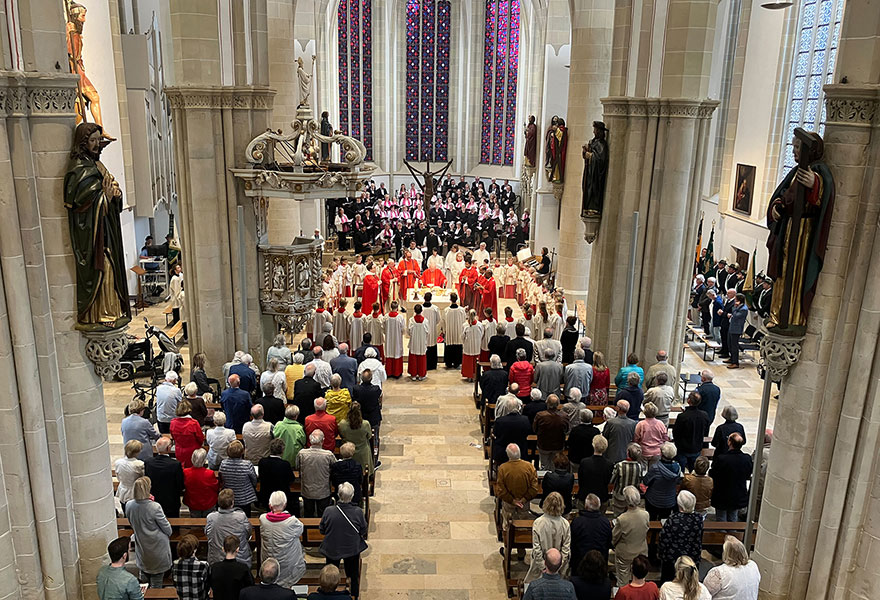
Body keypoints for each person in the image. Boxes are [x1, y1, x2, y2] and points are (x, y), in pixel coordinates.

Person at [319, 482, 368, 598]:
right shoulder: (357, 511)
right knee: (353, 574)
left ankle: (328, 594)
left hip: (332, 547)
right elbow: (363, 530)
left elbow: (322, 530)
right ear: (352, 496)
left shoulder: (329, 511)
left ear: (338, 495)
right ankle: (354, 594)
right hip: (351, 548)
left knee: (329, 574)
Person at [125, 477, 172, 588]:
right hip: (157, 548)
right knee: (156, 583)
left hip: (142, 545)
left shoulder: (129, 505)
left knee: (144, 581)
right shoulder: (154, 507)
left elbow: (132, 523)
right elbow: (168, 529)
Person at [495, 444, 539, 560]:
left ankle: (507, 549)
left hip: (509, 504)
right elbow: (534, 488)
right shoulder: (529, 467)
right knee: (522, 526)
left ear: (508, 455)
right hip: (524, 504)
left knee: (507, 525)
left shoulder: (503, 468)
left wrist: (513, 500)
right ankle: (521, 551)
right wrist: (523, 499)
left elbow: (500, 490)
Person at [259, 491, 307, 589]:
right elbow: (300, 530)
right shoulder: (291, 522)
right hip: (287, 560)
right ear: (285, 504)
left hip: (269, 558)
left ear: (270, 505)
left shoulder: (263, 519)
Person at [524, 492, 572, 583]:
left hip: (541, 567)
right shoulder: (565, 524)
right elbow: (566, 549)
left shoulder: (538, 523)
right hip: (558, 568)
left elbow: (536, 549)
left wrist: (543, 567)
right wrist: (557, 566)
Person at [658, 491, 703, 583]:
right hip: (691, 556)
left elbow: (664, 538)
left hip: (673, 558)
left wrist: (661, 554)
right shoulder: (698, 518)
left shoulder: (673, 518)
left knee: (669, 581)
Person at [612, 486, 650, 587]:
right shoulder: (645, 514)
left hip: (625, 553)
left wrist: (614, 545)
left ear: (625, 500)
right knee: (640, 579)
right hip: (641, 551)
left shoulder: (622, 519)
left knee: (623, 580)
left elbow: (614, 537)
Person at [710, 433, 752, 522]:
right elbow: (748, 472)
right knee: (733, 516)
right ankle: (732, 533)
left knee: (721, 518)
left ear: (729, 443)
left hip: (722, 494)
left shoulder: (722, 459)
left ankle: (722, 534)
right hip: (737, 493)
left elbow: (713, 473)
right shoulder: (746, 459)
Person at [206, 488, 253, 564]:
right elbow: (248, 533)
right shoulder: (241, 517)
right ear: (232, 503)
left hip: (217, 559)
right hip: (239, 558)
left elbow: (208, 534)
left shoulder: (211, 518)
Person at [297, 429, 337, 517]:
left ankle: (308, 529)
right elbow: (335, 468)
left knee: (308, 514)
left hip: (307, 490)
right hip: (323, 490)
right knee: (323, 515)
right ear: (323, 441)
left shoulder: (302, 453)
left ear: (310, 440)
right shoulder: (328, 455)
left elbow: (297, 467)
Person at [144, 436, 184, 518]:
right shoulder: (175, 464)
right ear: (169, 448)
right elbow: (180, 483)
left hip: (154, 498)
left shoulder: (148, 462)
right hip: (171, 500)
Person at [570, 493, 612, 568]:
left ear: (586, 506)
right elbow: (608, 542)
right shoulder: (605, 522)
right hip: (600, 562)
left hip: (580, 562)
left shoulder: (577, 522)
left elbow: (572, 543)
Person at [643, 442, 683, 520]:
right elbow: (677, 481)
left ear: (661, 454)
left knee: (652, 519)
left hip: (653, 500)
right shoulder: (678, 468)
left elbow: (646, 481)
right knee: (664, 519)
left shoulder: (655, 468)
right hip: (669, 501)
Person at [352, 369, 383, 466]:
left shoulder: (356, 389)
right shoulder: (376, 389)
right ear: (371, 379)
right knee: (375, 439)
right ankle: (374, 461)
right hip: (373, 417)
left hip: (361, 416)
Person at [673, 392, 710, 472]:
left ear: (689, 400)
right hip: (697, 446)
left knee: (680, 470)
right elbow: (705, 430)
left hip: (683, 448)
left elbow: (676, 432)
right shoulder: (704, 415)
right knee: (694, 470)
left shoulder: (682, 417)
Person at [208, 535, 254, 600]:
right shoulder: (243, 568)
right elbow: (250, 587)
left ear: (223, 549)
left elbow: (211, 585)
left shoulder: (215, 567)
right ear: (237, 549)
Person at [219, 441, 258, 515]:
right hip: (245, 497)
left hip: (229, 496)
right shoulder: (247, 464)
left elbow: (222, 478)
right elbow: (254, 480)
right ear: (242, 452)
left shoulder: (223, 464)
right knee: (246, 516)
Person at [259, 438, 297, 513]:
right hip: (282, 496)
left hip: (266, 495)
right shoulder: (285, 464)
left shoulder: (262, 462)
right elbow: (291, 479)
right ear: (282, 450)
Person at [610, 444, 647, 517]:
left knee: (618, 516)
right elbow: (640, 481)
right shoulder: (639, 467)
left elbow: (612, 480)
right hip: (632, 497)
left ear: (627, 453)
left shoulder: (619, 465)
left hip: (620, 495)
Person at [577, 435, 613, 509]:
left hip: (585, 496)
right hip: (602, 496)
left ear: (593, 445)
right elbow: (607, 480)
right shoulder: (609, 464)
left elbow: (581, 480)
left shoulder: (584, 462)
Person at [492, 400, 532, 466]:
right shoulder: (525, 420)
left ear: (507, 408)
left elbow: (495, 434)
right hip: (521, 450)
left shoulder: (500, 421)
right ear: (518, 407)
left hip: (503, 452)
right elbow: (528, 432)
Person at [339, 401, 373, 475]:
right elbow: (369, 436)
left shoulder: (342, 424)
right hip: (362, 453)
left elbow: (341, 435)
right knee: (363, 474)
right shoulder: (365, 424)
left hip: (347, 452)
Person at [183, 449, 220, 518]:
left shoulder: (186, 472)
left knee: (194, 519)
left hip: (193, 502)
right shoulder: (209, 473)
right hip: (208, 502)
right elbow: (216, 487)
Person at [171, 534, 209, 600]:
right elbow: (207, 585)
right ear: (194, 550)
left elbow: (175, 584)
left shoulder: (175, 564)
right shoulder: (203, 565)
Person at [534, 395, 567, 469]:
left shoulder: (540, 415)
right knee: (556, 465)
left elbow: (535, 429)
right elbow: (567, 430)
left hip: (544, 445)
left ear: (547, 403)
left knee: (544, 466)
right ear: (558, 404)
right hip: (558, 445)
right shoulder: (564, 416)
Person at [634, 402, 668, 466]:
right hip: (657, 452)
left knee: (643, 472)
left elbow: (636, 439)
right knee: (654, 472)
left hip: (644, 451)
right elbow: (665, 438)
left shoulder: (641, 424)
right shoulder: (660, 423)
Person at [114, 440, 145, 510]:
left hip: (122, 489)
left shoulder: (118, 462)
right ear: (137, 452)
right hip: (134, 491)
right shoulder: (139, 464)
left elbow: (118, 476)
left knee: (124, 508)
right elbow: (143, 477)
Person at [725, 294, 749, 369]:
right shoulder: (739, 307)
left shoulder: (744, 309)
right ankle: (732, 358)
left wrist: (735, 307)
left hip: (736, 329)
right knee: (730, 343)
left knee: (734, 346)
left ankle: (735, 362)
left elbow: (735, 315)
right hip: (732, 327)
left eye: (735, 299)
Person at [442, 292, 466, 368]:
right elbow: (464, 321)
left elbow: (443, 321)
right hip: (458, 331)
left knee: (449, 346)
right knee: (457, 346)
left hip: (449, 332)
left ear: (450, 299)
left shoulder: (446, 310)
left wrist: (444, 330)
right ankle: (457, 362)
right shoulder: (461, 310)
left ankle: (448, 363)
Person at [407, 303, 430, 380]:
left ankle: (413, 375)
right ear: (421, 311)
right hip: (421, 341)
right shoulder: (425, 321)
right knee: (421, 358)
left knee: (413, 357)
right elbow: (427, 332)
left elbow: (409, 331)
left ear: (414, 311)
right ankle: (421, 374)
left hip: (414, 341)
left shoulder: (411, 320)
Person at [461, 309, 483, 382]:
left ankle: (469, 376)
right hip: (476, 346)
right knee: (475, 361)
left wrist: (464, 342)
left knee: (468, 361)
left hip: (468, 346)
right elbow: (482, 334)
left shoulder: (465, 325)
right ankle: (475, 375)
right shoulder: (480, 325)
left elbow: (462, 336)